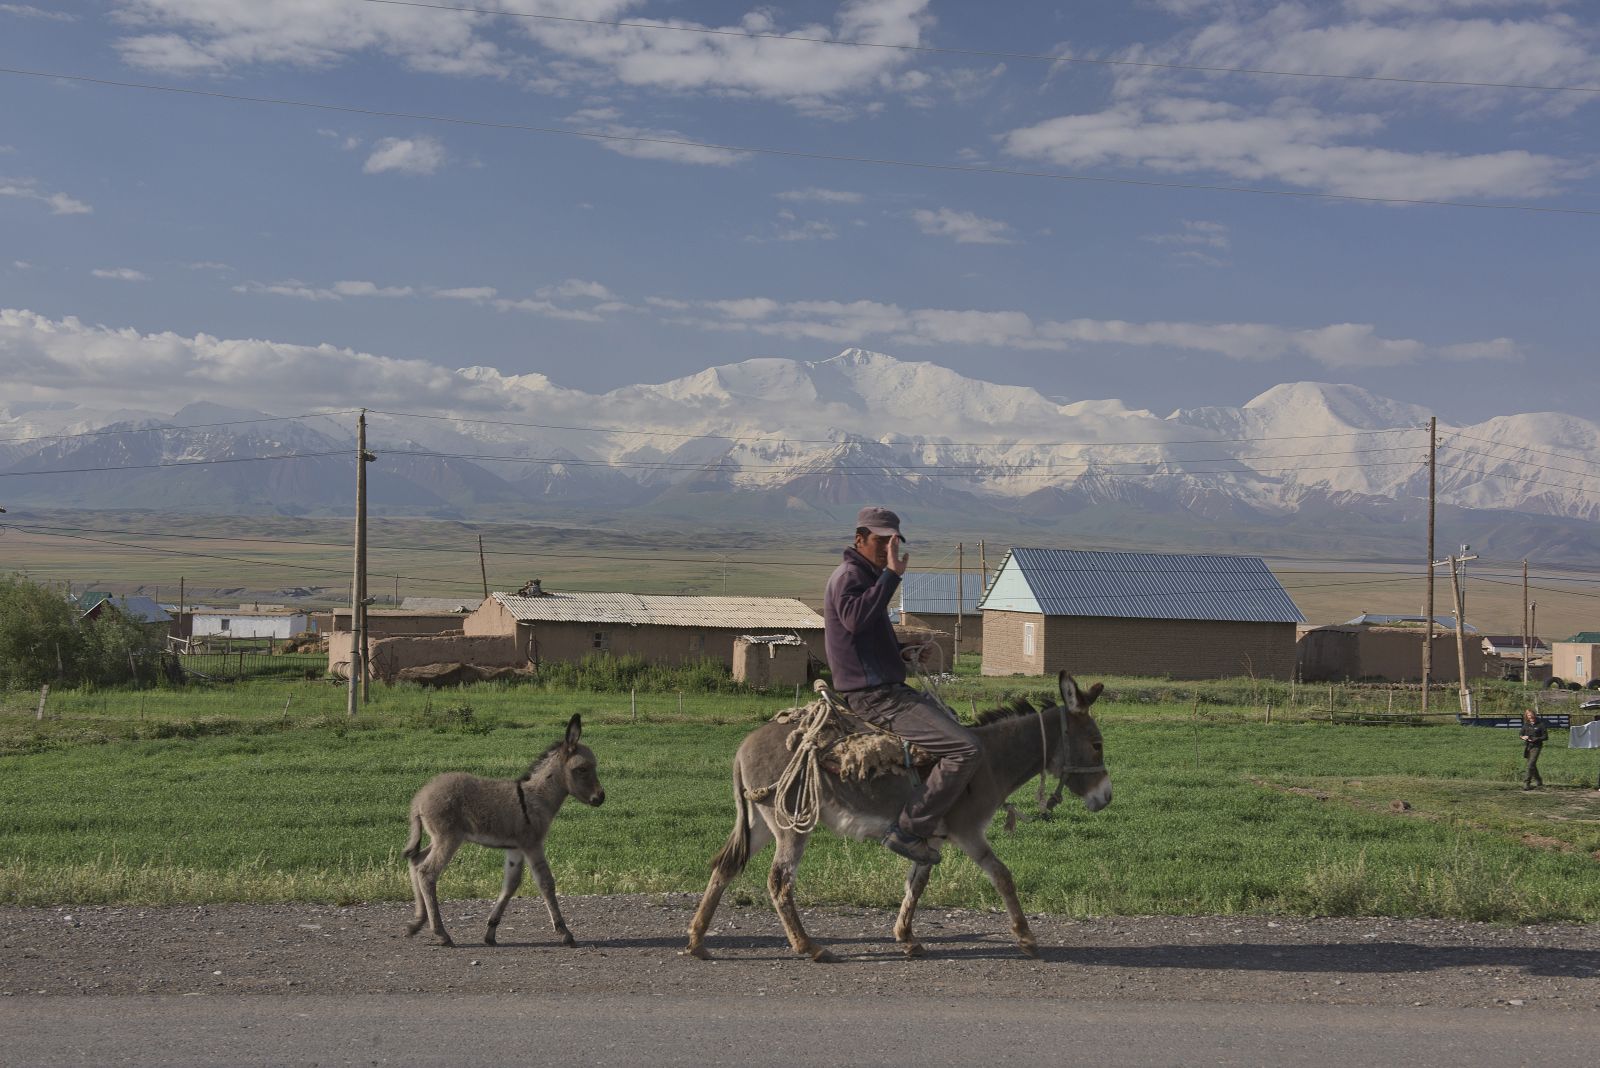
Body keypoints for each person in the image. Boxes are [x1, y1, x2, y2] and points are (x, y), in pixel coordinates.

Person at [823, 506, 980, 866]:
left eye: (893, 541)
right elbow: (855, 620)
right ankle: (909, 829)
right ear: (859, 539)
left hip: (882, 688)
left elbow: (865, 638)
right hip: (875, 697)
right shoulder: (851, 576)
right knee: (966, 748)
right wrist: (892, 576)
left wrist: (901, 650)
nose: (887, 548)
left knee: (954, 728)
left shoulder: (866, 576)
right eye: (880, 540)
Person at [1519, 708, 1548, 790]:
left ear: (1534, 714)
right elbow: (1521, 734)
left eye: (1531, 714)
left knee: (1530, 764)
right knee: (1532, 765)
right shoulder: (1526, 724)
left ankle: (1526, 783)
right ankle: (1539, 780)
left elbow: (1545, 737)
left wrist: (1537, 739)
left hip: (1537, 746)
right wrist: (1523, 737)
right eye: (1528, 715)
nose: (1530, 716)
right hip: (1528, 746)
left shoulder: (1541, 724)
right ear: (1526, 716)